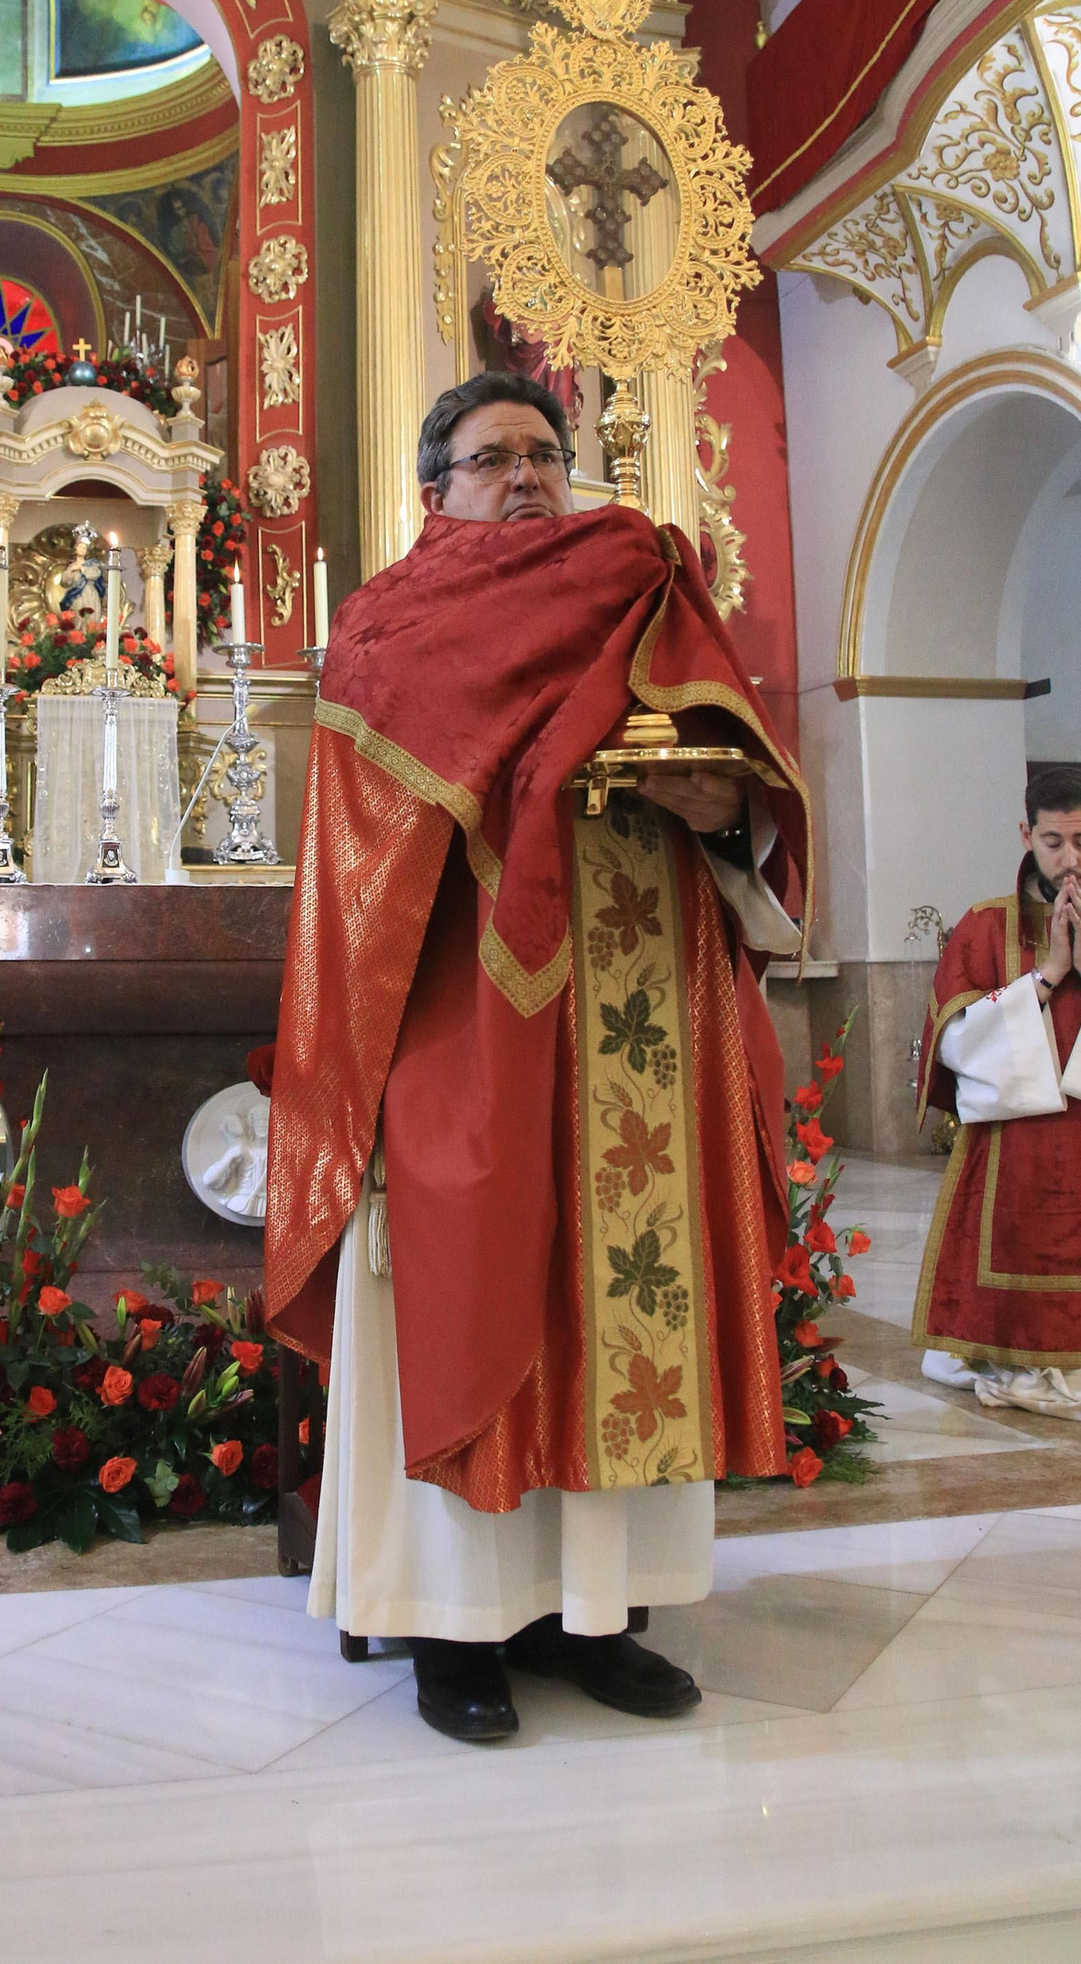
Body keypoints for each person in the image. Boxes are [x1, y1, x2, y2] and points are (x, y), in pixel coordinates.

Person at [265, 372, 810, 1744]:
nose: (525, 476)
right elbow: (361, 865)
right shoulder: (391, 627)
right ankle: (456, 1633)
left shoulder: (646, 591)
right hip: (464, 1029)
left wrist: (720, 800)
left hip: (640, 1035)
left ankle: (604, 1617)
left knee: (624, 1305)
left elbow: (750, 780)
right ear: (432, 491)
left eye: (544, 454)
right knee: (469, 1293)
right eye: (491, 458)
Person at [913, 763, 1081, 1418]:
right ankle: (1003, 1347)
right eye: (1054, 843)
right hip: (1013, 1147)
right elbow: (954, 1044)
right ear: (1025, 835)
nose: (1071, 861)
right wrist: (1049, 975)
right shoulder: (985, 925)